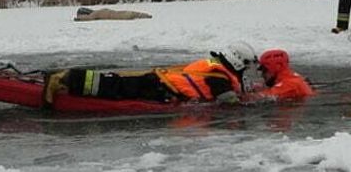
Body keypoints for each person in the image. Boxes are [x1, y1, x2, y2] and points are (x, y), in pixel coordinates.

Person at [42, 44, 260, 108]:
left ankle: (68, 80)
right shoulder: (220, 77)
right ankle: (65, 79)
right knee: (113, 87)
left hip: (159, 82)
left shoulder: (213, 64)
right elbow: (228, 103)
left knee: (116, 83)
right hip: (159, 89)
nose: (246, 71)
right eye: (246, 65)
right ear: (237, 61)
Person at [244, 49, 315, 101]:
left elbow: (260, 98)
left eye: (265, 71)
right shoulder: (290, 77)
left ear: (274, 68)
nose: (262, 75)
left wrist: (238, 95)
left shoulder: (290, 85)